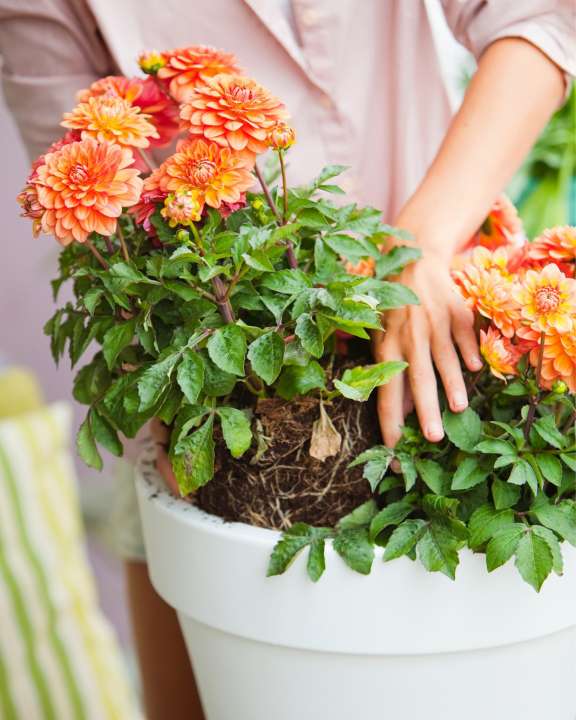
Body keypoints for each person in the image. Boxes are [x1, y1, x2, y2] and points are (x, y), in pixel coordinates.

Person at [1, 2, 574, 718]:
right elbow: (94, 222)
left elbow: (541, 17)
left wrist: (422, 240)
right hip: (211, 390)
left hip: (449, 346)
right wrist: (207, 407)